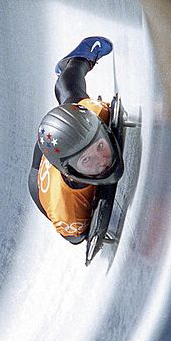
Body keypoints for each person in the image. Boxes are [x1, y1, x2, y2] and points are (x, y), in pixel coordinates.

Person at [29, 36, 122, 244]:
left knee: (72, 96)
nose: (102, 160)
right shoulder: (69, 216)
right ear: (71, 172)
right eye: (87, 161)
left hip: (64, 136)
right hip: (40, 184)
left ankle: (76, 61)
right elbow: (75, 237)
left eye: (100, 146)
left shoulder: (97, 113)